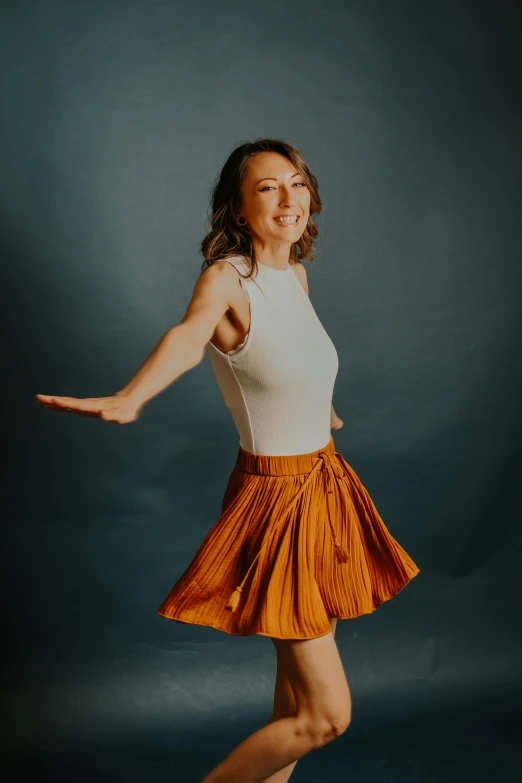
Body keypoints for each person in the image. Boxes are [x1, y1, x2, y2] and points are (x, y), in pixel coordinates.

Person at [35, 138, 420, 783]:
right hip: (275, 501)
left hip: (323, 482)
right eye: (268, 187)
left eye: (296, 183)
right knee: (326, 716)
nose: (288, 199)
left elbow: (283, 361)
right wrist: (132, 397)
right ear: (239, 208)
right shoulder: (227, 279)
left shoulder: (295, 276)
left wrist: (320, 410)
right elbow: (189, 338)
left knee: (294, 699)